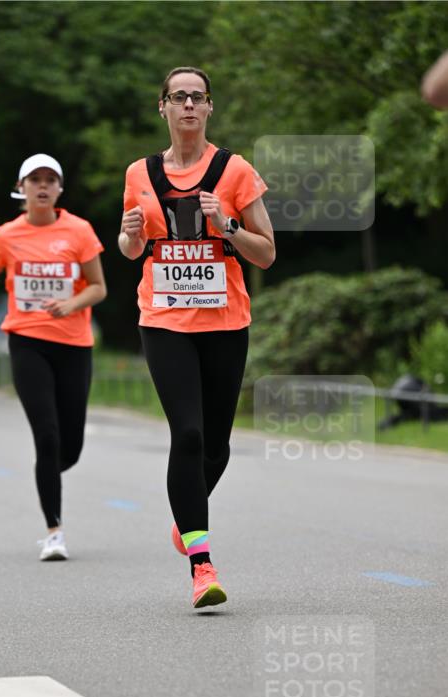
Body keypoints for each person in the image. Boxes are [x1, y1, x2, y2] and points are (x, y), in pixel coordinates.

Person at [119, 67, 275, 609]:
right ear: (162, 106)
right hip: (163, 320)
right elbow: (131, 248)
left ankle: (186, 517)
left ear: (209, 107)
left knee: (216, 447)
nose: (188, 104)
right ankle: (202, 566)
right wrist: (129, 236)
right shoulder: (139, 173)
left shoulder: (235, 170)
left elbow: (266, 252)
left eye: (197, 97)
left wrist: (227, 225)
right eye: (178, 96)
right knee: (187, 434)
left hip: (225, 323)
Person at [0, 154, 106, 560]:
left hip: (74, 344)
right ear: (22, 188)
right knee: (46, 436)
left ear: (60, 189)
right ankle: (54, 532)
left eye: (50, 179)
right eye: (35, 180)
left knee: (71, 447)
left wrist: (71, 303)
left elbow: (98, 287)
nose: (43, 186)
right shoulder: (6, 235)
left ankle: (47, 473)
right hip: (27, 342)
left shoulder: (79, 231)